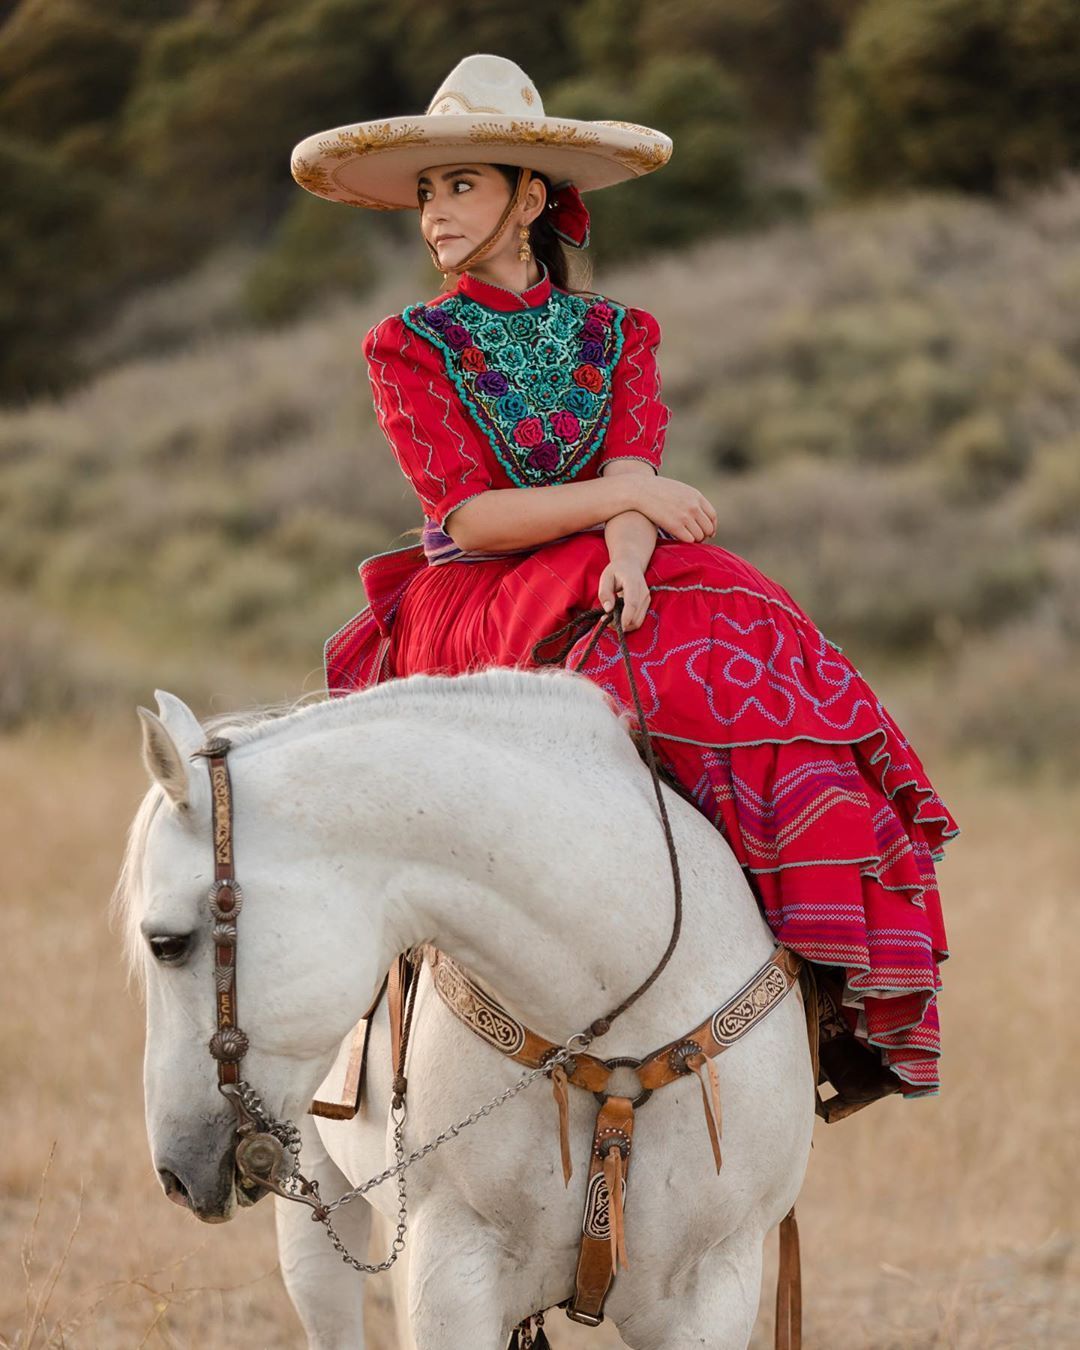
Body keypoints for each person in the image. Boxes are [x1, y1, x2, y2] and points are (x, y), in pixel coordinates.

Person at [291, 54, 958, 1111]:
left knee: (765, 648)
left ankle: (827, 989)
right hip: (479, 587)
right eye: (427, 189)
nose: (435, 213)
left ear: (532, 198)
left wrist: (630, 558)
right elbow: (471, 517)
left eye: (461, 184)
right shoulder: (408, 344)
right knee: (672, 681)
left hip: (607, 563)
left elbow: (635, 479)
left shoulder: (620, 333)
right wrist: (613, 515)